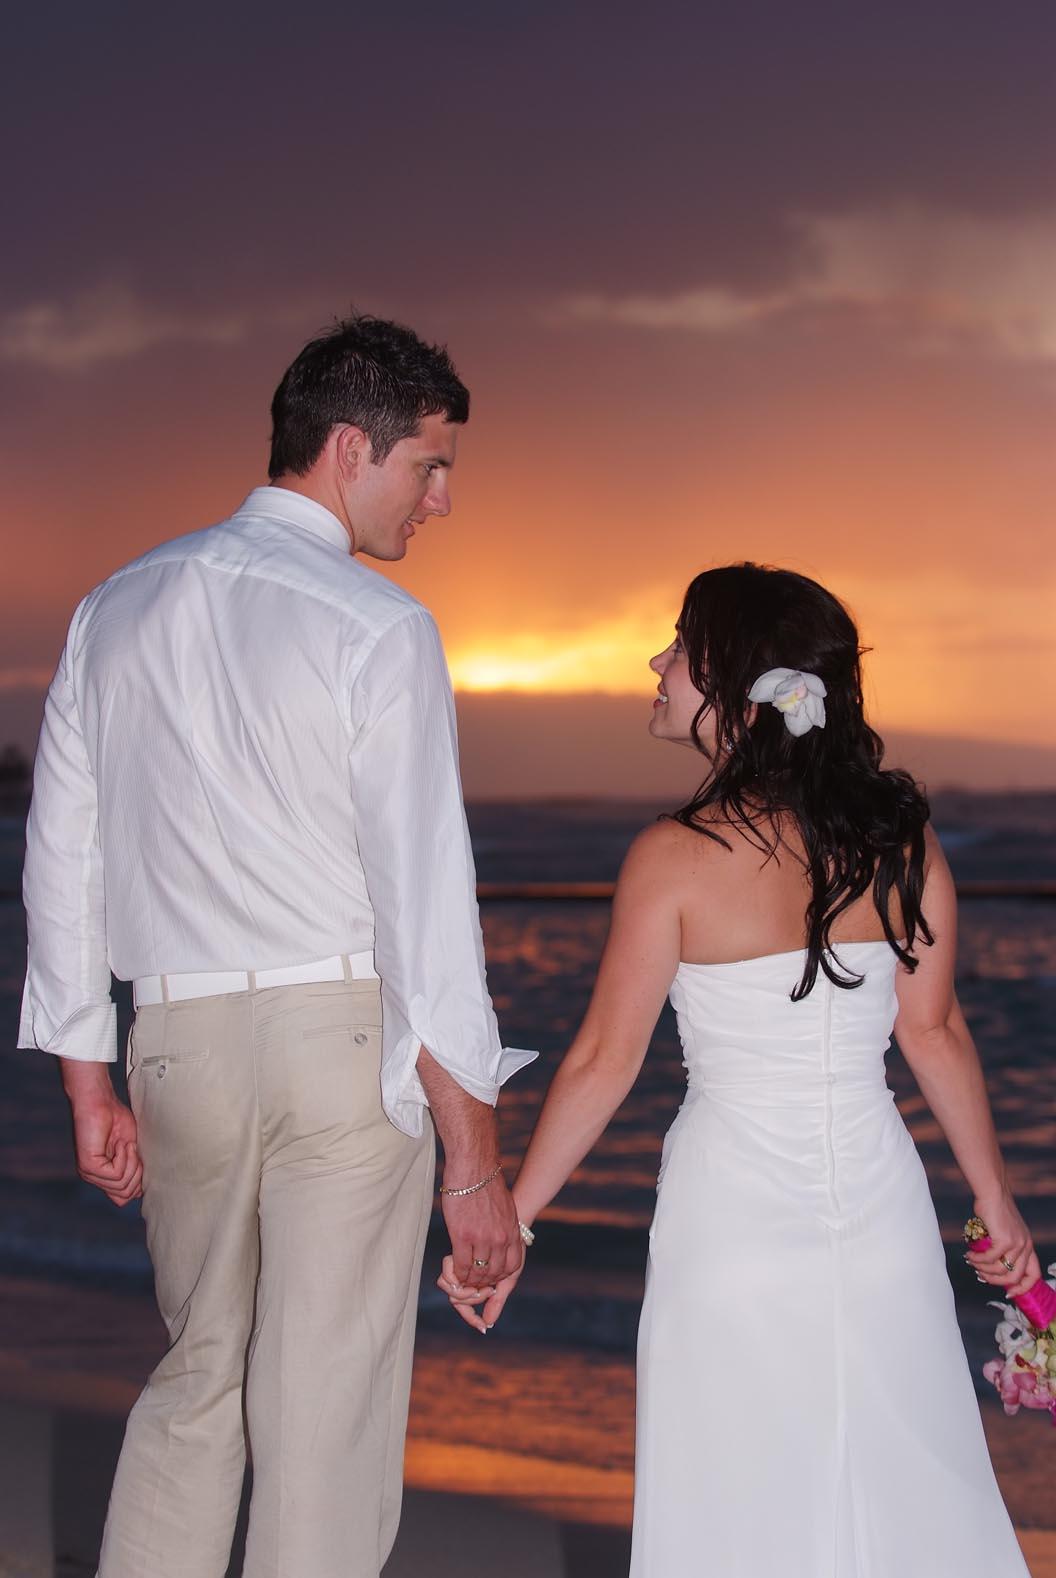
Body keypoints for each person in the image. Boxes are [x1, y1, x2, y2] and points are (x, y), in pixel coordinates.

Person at [19, 313, 533, 1578]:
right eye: (429, 464)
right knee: (324, 1407)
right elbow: (423, 900)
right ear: (351, 448)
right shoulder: (378, 624)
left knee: (198, 1376)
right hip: (341, 1045)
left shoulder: (112, 608)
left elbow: (63, 858)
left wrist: (88, 1075)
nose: (443, 498)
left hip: (177, 1045)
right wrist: (474, 1161)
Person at [444, 564, 1036, 1576]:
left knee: (736, 1495)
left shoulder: (670, 858)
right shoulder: (897, 842)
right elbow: (933, 1034)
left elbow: (602, 1060)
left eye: (680, 646)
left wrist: (517, 1221)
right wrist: (998, 1204)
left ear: (734, 681)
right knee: (900, 1478)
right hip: (880, 1213)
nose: (657, 663)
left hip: (730, 1221)